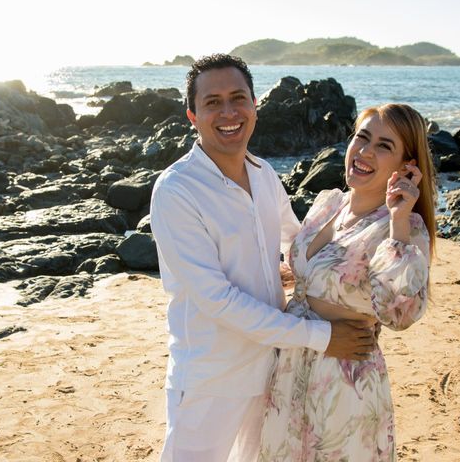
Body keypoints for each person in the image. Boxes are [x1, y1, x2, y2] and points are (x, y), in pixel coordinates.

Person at [150, 54, 377, 462]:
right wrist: (323, 337)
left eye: (238, 98)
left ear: (255, 106)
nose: (228, 112)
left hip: (273, 370)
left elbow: (300, 241)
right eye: (213, 102)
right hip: (210, 378)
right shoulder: (177, 190)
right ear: (192, 115)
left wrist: (379, 229)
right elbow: (216, 298)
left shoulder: (264, 174)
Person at [258, 103, 437, 461]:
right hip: (290, 364)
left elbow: (400, 314)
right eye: (362, 137)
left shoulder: (403, 228)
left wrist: (399, 218)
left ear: (408, 166)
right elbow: (315, 273)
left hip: (343, 376)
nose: (365, 151)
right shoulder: (329, 204)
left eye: (385, 146)